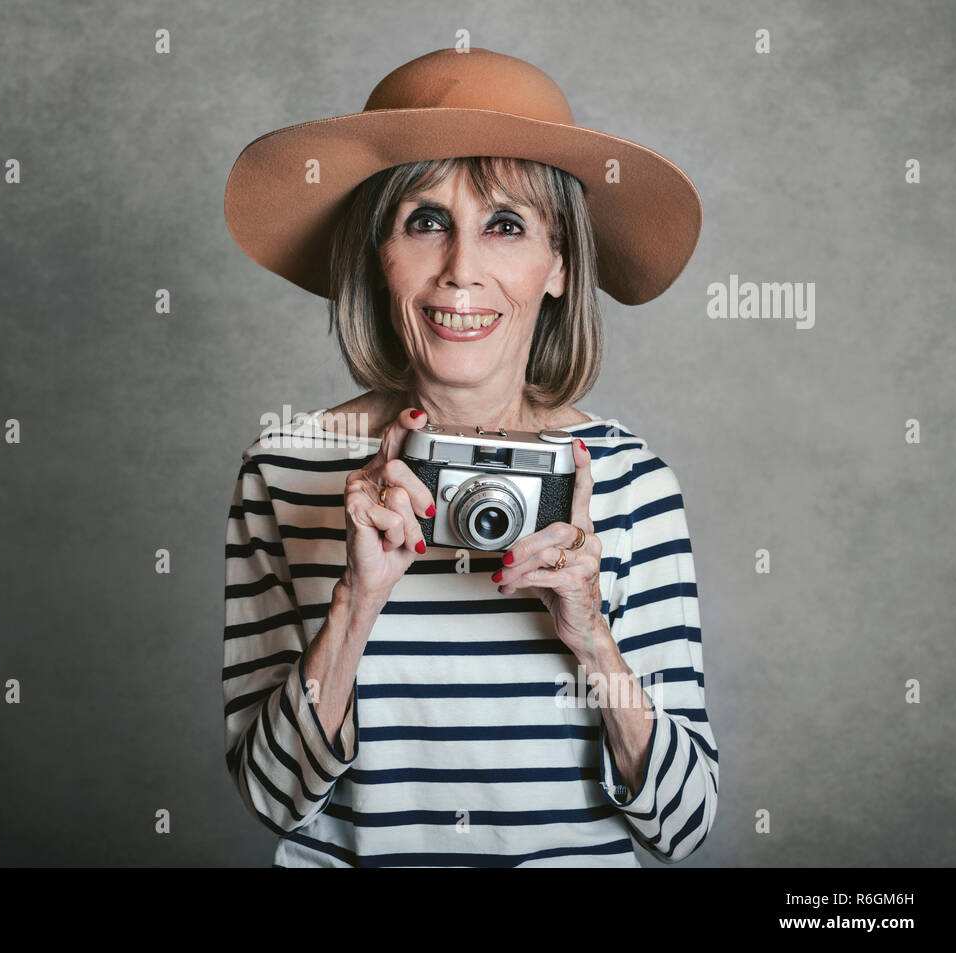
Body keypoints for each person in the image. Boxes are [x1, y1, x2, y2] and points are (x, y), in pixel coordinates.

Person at [221, 47, 718, 866]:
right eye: (425, 221)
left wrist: (591, 638)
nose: (461, 271)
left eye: (507, 225)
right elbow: (274, 798)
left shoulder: (631, 481)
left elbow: (684, 823)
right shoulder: (286, 468)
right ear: (379, 254)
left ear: (558, 265)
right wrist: (356, 603)